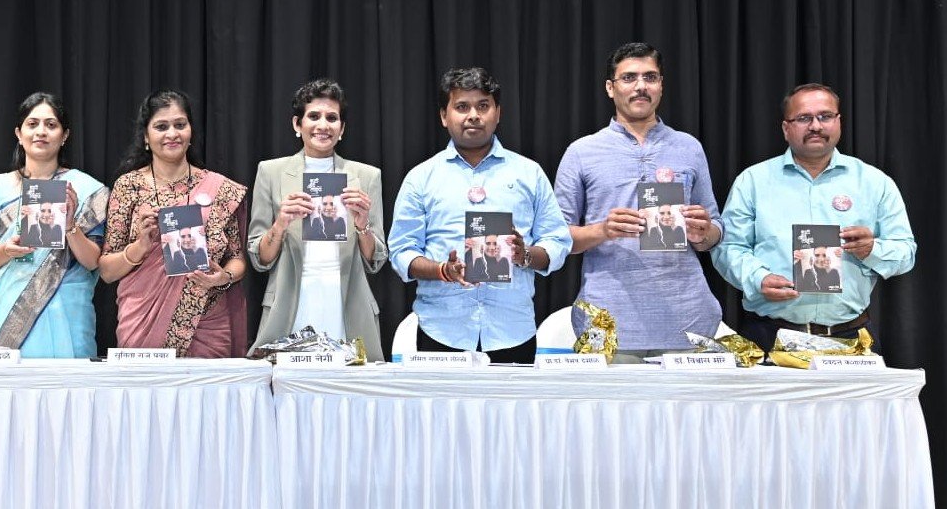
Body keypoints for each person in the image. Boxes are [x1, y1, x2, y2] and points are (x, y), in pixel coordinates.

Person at [554, 42, 725, 362]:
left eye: (650, 77)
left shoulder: (689, 147)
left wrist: (704, 232)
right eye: (629, 77)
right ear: (610, 88)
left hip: (687, 318)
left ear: (661, 85)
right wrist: (603, 230)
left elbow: (715, 228)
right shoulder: (581, 152)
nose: (641, 86)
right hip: (609, 322)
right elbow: (557, 238)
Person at [388, 67, 571, 363]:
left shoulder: (529, 173)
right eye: (462, 107)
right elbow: (401, 251)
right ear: (444, 116)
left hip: (513, 331)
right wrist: (442, 271)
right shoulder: (421, 178)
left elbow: (558, 242)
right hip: (442, 330)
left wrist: (525, 255)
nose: (473, 115)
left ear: (498, 113)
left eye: (483, 106)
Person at [714, 84, 915, 350]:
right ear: (786, 128)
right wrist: (757, 278)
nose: (816, 126)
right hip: (770, 336)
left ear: (839, 122)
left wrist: (872, 250)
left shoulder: (875, 182)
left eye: (825, 116)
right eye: (803, 118)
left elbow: (905, 253)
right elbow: (728, 248)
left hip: (851, 337)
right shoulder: (753, 181)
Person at [99, 90, 249, 358]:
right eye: (161, 126)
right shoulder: (129, 186)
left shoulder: (220, 188)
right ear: (146, 137)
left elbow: (236, 258)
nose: (172, 134)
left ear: (190, 131)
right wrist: (140, 246)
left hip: (207, 323)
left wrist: (223, 278)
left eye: (180, 125)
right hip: (143, 324)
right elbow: (107, 271)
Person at [248, 78, 387, 355]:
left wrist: (362, 225)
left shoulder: (367, 176)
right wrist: (280, 224)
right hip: (290, 304)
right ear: (297, 124)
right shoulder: (271, 172)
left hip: (347, 304)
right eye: (314, 116)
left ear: (342, 128)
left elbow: (376, 261)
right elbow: (259, 259)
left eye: (332, 118)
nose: (323, 125)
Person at [0, 92, 107, 358]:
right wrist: (6, 251)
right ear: (18, 133)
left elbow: (93, 262)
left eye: (51, 125)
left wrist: (70, 226)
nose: (41, 132)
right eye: (32, 124)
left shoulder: (87, 189)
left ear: (64, 135)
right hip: (5, 309)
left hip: (66, 311)